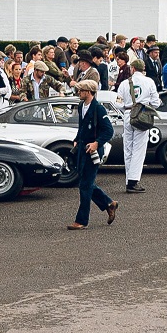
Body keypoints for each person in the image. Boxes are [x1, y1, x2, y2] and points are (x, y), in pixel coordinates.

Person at [66, 78, 117, 229]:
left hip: (93, 150)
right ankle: (109, 203)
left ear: (88, 92)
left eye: (81, 90)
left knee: (85, 185)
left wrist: (97, 143)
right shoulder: (82, 105)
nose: (78, 93)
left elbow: (109, 130)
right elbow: (82, 126)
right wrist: (77, 139)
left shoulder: (98, 108)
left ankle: (81, 220)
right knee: (86, 182)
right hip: (82, 148)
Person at [117, 57, 161, 192]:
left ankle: (128, 180)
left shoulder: (124, 83)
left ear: (133, 69)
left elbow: (119, 103)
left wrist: (127, 110)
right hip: (142, 115)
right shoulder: (149, 82)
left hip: (128, 115)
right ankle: (133, 181)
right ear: (143, 69)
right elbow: (155, 102)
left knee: (128, 149)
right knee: (139, 150)